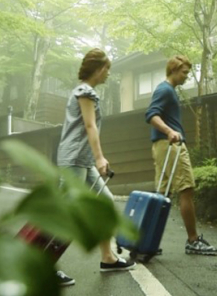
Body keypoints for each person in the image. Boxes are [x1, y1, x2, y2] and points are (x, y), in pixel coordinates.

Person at [56, 49, 135, 286]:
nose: (108, 74)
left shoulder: (83, 91)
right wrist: (100, 158)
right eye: (107, 69)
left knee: (105, 203)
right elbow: (90, 126)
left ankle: (108, 258)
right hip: (74, 160)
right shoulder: (85, 91)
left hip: (83, 159)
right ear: (99, 69)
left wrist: (95, 158)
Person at [145, 55, 217, 256]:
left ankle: (147, 242)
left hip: (162, 146)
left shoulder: (168, 90)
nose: (187, 76)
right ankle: (193, 240)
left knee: (162, 196)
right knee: (186, 189)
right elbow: (151, 114)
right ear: (174, 70)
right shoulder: (165, 90)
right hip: (171, 145)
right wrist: (170, 131)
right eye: (185, 72)